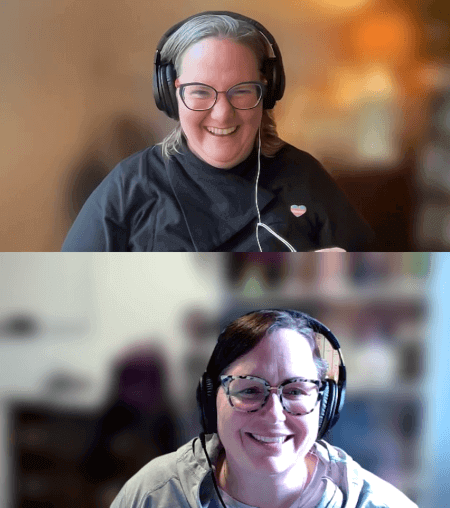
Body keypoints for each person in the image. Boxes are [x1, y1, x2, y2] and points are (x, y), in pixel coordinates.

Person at [62, 12, 375, 252]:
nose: (223, 112)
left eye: (241, 91)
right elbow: (71, 291)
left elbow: (376, 288)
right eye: (200, 92)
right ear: (173, 95)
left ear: (266, 92)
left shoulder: (305, 177)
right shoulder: (127, 187)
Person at [110, 309, 418, 508]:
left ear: (324, 405)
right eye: (249, 389)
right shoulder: (153, 494)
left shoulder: (379, 503)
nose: (273, 414)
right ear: (209, 399)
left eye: (295, 390)